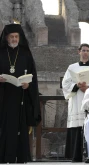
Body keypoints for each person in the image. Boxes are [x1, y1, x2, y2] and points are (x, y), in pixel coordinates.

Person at [0, 24, 41, 163]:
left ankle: (21, 157)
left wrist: (28, 85)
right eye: (11, 36)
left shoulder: (25, 54)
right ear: (6, 37)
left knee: (19, 129)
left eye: (16, 36)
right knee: (4, 128)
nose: (14, 39)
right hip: (3, 98)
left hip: (20, 99)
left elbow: (33, 77)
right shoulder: (0, 52)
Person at [62, 43, 89, 162]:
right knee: (77, 127)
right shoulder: (71, 67)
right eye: (83, 50)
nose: (85, 53)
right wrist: (77, 86)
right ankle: (76, 155)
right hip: (76, 99)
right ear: (78, 52)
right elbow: (65, 84)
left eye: (87, 51)